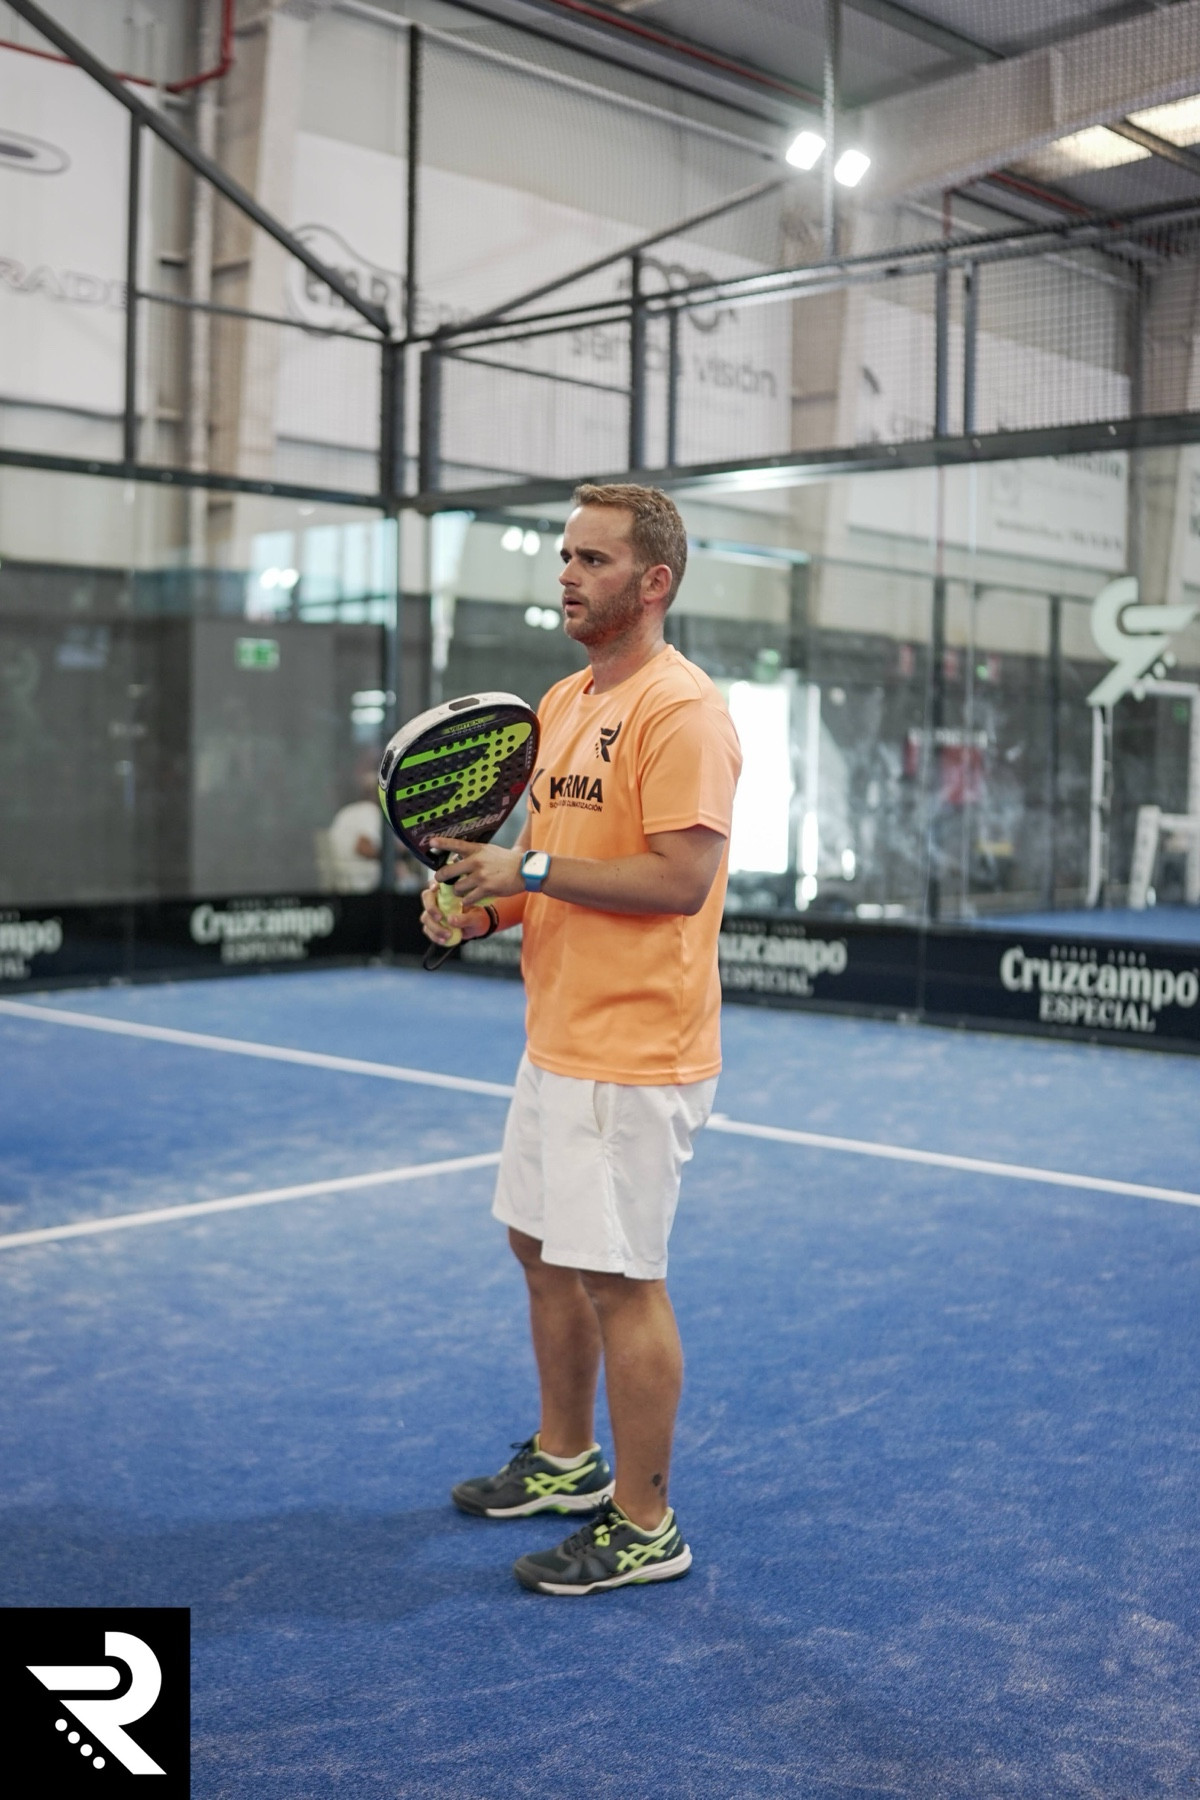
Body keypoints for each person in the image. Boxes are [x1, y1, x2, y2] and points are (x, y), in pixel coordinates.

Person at [423, 483, 742, 1596]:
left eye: (593, 560)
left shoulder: (682, 711)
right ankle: (566, 1459)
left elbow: (679, 878)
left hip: (635, 1051)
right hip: (556, 1036)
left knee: (620, 1279)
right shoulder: (563, 701)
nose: (567, 574)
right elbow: (552, 871)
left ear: (653, 583)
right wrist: (483, 908)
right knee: (539, 1247)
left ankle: (646, 1524)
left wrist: (527, 867)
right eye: (565, 555)